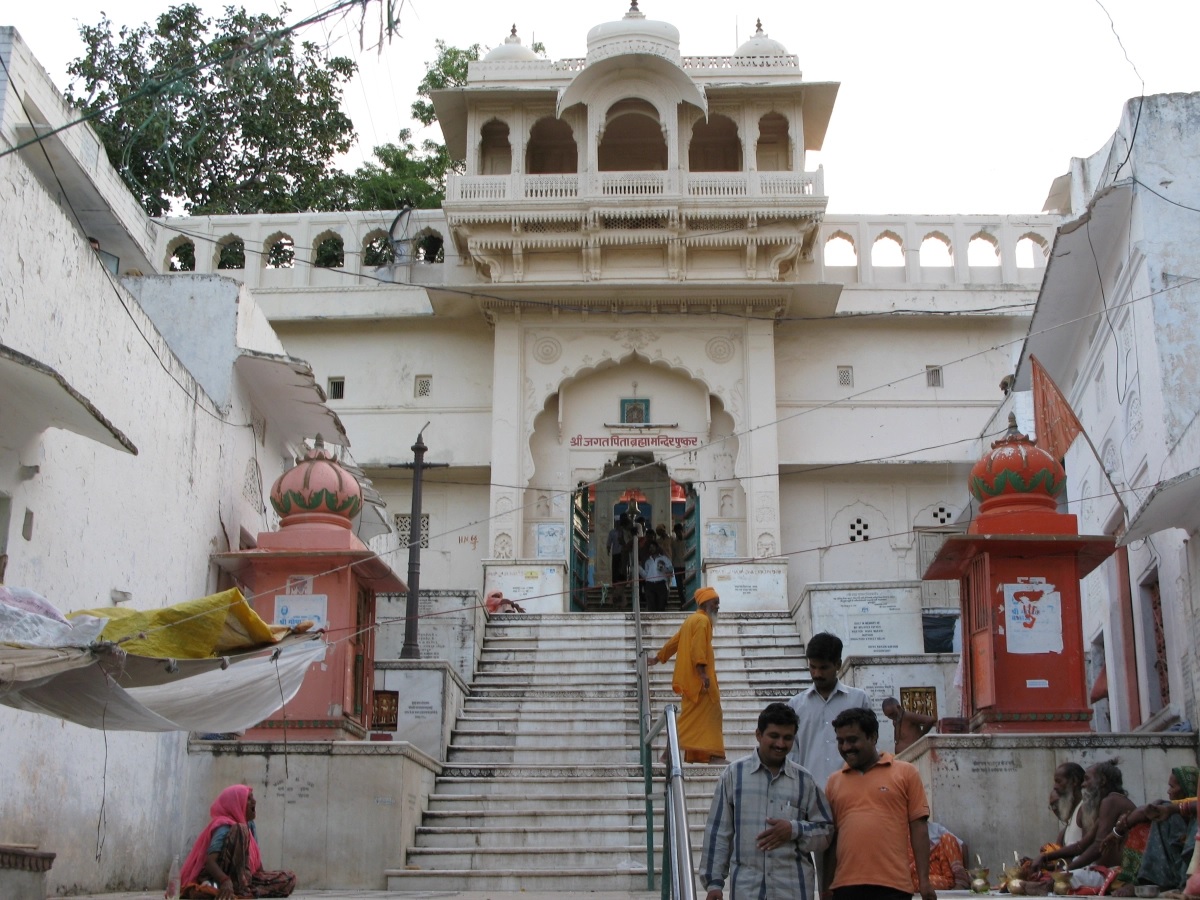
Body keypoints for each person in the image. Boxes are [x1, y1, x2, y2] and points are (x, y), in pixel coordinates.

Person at [700, 702, 834, 900]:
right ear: (758, 735)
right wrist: (714, 883)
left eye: (787, 738)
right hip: (747, 891)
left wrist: (794, 830)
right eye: (774, 736)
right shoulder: (734, 775)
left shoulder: (805, 781)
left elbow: (826, 831)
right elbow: (719, 832)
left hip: (793, 890)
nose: (781, 744)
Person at [823, 706, 936, 900]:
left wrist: (924, 881)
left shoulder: (905, 773)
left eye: (852, 740)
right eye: (840, 741)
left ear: (873, 737)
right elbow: (831, 840)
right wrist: (826, 886)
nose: (845, 747)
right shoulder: (834, 782)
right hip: (845, 887)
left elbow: (919, 828)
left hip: (893, 887)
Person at [647, 586, 726, 763]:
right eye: (715, 603)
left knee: (701, 718)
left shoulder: (692, 620)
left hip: (693, 682)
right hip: (699, 682)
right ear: (705, 603)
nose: (718, 607)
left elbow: (675, 642)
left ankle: (711, 755)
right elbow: (697, 648)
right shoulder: (702, 621)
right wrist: (702, 674)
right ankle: (670, 755)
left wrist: (659, 658)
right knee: (702, 718)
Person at [180, 784, 296, 899]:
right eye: (248, 799)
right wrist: (225, 881)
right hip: (221, 876)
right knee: (241, 829)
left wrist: (264, 878)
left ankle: (241, 890)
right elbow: (210, 862)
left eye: (252, 798)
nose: (254, 801)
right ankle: (223, 888)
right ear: (235, 804)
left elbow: (256, 862)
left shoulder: (250, 825)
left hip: (244, 878)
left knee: (289, 878)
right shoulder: (224, 826)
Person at [1033, 759, 1137, 885]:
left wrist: (1066, 871)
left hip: (1119, 874)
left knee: (1070, 878)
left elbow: (1098, 846)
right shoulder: (1107, 805)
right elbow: (1081, 846)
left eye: (1087, 779)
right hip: (1104, 871)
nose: (1083, 784)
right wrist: (1046, 857)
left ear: (1102, 780)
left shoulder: (1111, 801)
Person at [787, 632, 870, 787]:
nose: (817, 674)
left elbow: (869, 747)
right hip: (809, 794)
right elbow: (792, 754)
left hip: (852, 790)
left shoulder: (859, 699)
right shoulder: (795, 705)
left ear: (838, 665)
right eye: (813, 667)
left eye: (824, 668)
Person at [1101, 765, 1199, 892]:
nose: (1169, 791)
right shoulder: (1171, 809)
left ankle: (1151, 882)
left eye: (1172, 787)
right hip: (1177, 867)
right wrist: (1117, 832)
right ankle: (1149, 882)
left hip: (1191, 869)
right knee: (1148, 823)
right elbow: (1147, 811)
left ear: (1188, 788)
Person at [606, 514, 632, 605]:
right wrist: (608, 549)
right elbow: (609, 542)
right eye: (616, 523)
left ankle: (623, 584)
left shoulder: (625, 531)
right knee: (615, 569)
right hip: (615, 553)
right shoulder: (612, 532)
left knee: (624, 569)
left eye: (618, 522)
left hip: (624, 553)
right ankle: (615, 585)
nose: (617, 524)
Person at [641, 541, 673, 612]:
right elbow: (646, 575)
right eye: (650, 548)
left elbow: (671, 570)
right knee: (651, 607)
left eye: (653, 547)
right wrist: (639, 569)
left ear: (657, 548)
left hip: (661, 584)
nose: (651, 549)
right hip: (650, 585)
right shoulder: (648, 561)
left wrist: (663, 568)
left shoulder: (664, 559)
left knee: (661, 606)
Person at [671, 522, 687, 605]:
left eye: (679, 532)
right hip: (677, 565)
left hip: (686, 565)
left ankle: (688, 601)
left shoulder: (687, 540)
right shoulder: (674, 542)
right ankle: (682, 602)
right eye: (676, 532)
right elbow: (673, 554)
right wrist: (672, 564)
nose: (677, 534)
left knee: (687, 584)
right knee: (679, 586)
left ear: (682, 531)